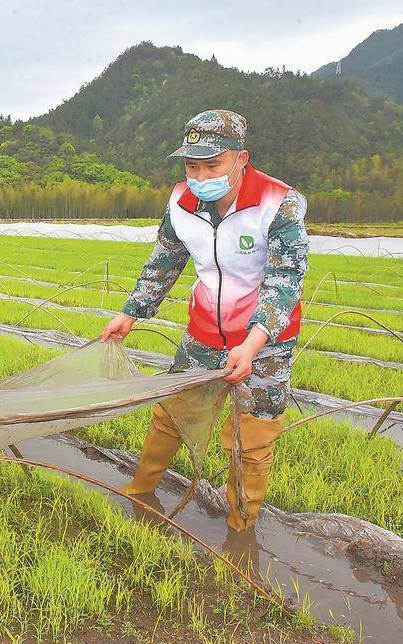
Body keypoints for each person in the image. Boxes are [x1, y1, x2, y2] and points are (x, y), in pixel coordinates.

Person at [101, 109, 308, 533]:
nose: (199, 174)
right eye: (191, 165)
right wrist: (131, 312)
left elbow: (286, 280)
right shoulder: (181, 201)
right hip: (203, 333)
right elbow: (164, 261)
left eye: (211, 165)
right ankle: (139, 491)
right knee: (172, 414)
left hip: (265, 342)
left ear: (240, 159)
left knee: (253, 438)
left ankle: (240, 526)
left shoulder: (277, 203)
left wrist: (252, 343)